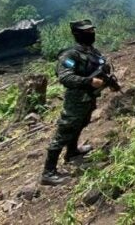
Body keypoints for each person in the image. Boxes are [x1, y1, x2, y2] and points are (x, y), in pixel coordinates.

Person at [41, 19, 110, 186]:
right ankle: (48, 172)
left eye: (91, 31)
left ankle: (72, 152)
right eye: (87, 32)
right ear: (77, 35)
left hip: (89, 98)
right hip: (76, 99)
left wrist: (110, 83)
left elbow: (103, 70)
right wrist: (89, 82)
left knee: (81, 123)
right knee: (65, 130)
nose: (91, 34)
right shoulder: (70, 55)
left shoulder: (93, 52)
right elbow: (65, 76)